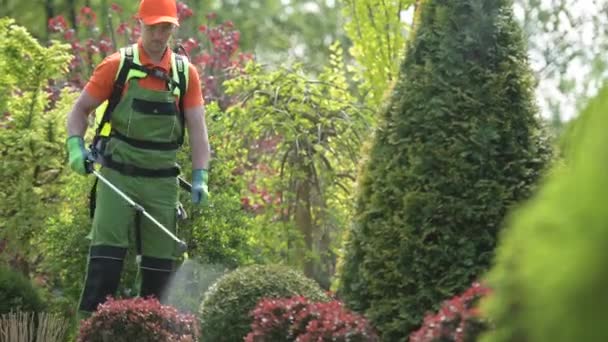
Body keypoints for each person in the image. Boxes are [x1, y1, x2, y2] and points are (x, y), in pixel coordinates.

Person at [65, 0, 211, 320]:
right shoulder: (117, 65)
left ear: (174, 28)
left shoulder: (185, 75)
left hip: (162, 180)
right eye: (153, 27)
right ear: (139, 24)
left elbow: (199, 133)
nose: (159, 34)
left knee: (160, 268)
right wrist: (76, 146)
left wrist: (201, 175)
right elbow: (79, 111)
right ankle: (91, 329)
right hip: (117, 174)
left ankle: (153, 330)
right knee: (106, 259)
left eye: (166, 28)